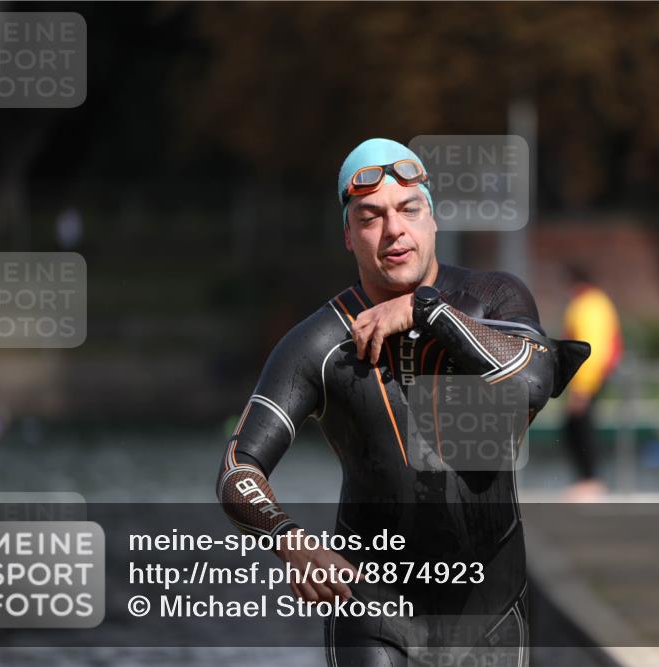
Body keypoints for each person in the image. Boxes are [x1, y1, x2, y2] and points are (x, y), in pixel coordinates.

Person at [216, 138, 587, 667]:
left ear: (432, 220)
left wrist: (424, 311)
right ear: (349, 236)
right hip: (371, 609)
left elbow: (534, 378)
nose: (394, 229)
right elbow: (237, 468)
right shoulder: (319, 344)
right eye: (371, 217)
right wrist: (289, 539)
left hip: (491, 610)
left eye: (409, 209)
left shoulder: (494, 299)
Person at [561, 264, 622, 501]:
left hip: (590, 377)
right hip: (591, 376)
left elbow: (590, 348)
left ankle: (590, 481)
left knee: (580, 426)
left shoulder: (588, 305)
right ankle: (587, 480)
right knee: (577, 426)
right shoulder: (594, 303)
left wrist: (582, 388)